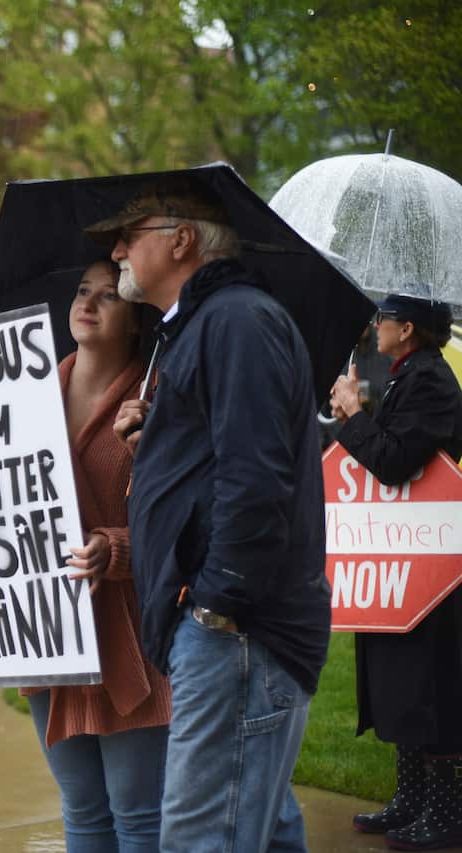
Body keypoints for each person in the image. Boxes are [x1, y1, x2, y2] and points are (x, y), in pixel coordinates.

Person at [0, 260, 171, 851]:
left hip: (125, 630)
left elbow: (182, 521)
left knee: (137, 815)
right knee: (81, 809)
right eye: (83, 291)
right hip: (44, 626)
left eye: (109, 296)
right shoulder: (18, 393)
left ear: (136, 321)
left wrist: (117, 546)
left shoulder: (153, 400)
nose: (89, 303)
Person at [102, 181, 330, 852]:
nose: (117, 248)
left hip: (236, 632)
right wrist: (162, 435)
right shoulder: (203, 326)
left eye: (129, 232)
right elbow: (226, 458)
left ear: (181, 239)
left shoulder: (234, 320)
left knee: (204, 838)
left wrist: (214, 604)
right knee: (260, 830)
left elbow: (256, 478)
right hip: (230, 634)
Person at [329, 292, 462, 851]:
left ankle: (447, 811)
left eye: (382, 318)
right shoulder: (410, 374)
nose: (374, 325)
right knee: (403, 684)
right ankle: (411, 797)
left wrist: (355, 414)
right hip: (403, 561)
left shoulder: (430, 381)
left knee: (430, 687)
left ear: (406, 329)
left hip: (432, 567)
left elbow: (392, 463)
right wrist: (354, 417)